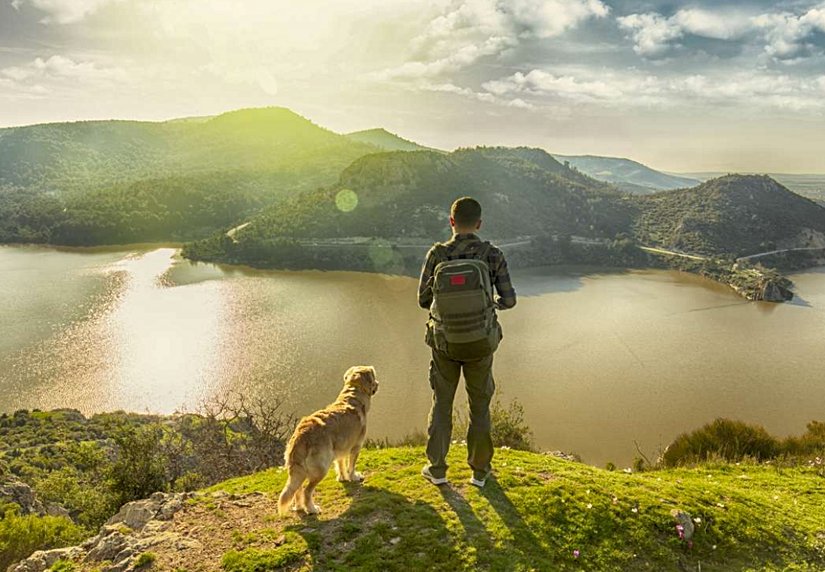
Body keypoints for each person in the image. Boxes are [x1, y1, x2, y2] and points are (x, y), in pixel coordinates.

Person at [417, 196, 517, 488]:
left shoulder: (437, 254)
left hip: (445, 344)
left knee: (441, 404)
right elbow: (509, 300)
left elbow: (423, 300)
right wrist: (491, 304)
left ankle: (437, 469)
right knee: (480, 406)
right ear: (479, 224)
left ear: (451, 222)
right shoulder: (492, 254)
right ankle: (479, 472)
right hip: (480, 344)